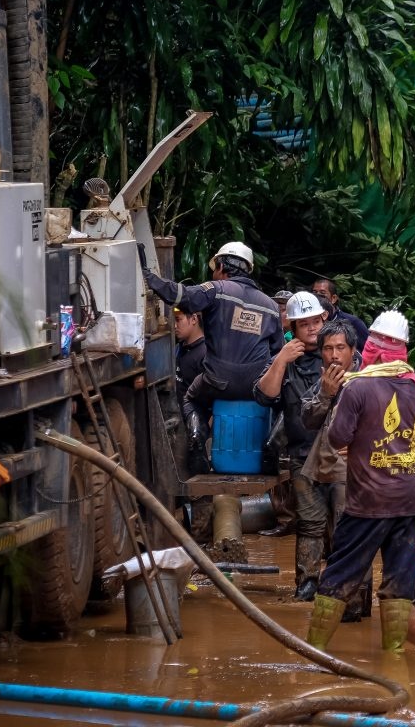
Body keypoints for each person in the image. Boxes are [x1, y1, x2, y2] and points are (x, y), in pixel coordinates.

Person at [304, 313, 415, 652]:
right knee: (400, 579)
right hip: (410, 502)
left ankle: (313, 653)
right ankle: (394, 657)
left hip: (368, 501)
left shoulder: (358, 387)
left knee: (340, 573)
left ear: (373, 349)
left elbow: (338, 436)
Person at [138, 240, 284, 469]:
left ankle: (197, 439)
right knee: (286, 397)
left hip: (218, 381)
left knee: (192, 399)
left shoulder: (217, 291)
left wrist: (148, 276)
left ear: (223, 267)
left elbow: (180, 296)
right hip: (257, 387)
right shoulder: (271, 306)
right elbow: (277, 353)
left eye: (215, 268)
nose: (214, 274)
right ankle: (271, 444)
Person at [252, 291, 328, 600]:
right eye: (304, 324)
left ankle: (342, 585)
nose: (312, 329)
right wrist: (282, 359)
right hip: (302, 453)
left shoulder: (338, 350)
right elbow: (263, 396)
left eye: (316, 322)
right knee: (309, 522)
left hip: (341, 452)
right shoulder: (285, 360)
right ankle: (307, 583)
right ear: (293, 328)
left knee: (344, 522)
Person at [295, 319, 368, 619]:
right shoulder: (325, 377)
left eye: (340, 348)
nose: (334, 355)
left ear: (353, 350)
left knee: (348, 533)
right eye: (328, 349)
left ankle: (353, 601)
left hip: (352, 468)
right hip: (319, 461)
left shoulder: (368, 377)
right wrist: (326, 392)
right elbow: (308, 419)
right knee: (309, 526)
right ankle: (307, 585)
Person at [312, 278, 369, 351]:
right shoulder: (308, 321)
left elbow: (367, 351)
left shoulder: (353, 322)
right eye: (314, 292)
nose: (317, 296)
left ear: (334, 298)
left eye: (322, 293)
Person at [173, 306, 206, 406]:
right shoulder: (177, 349)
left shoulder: (205, 354)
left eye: (178, 320)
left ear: (194, 319)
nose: (175, 326)